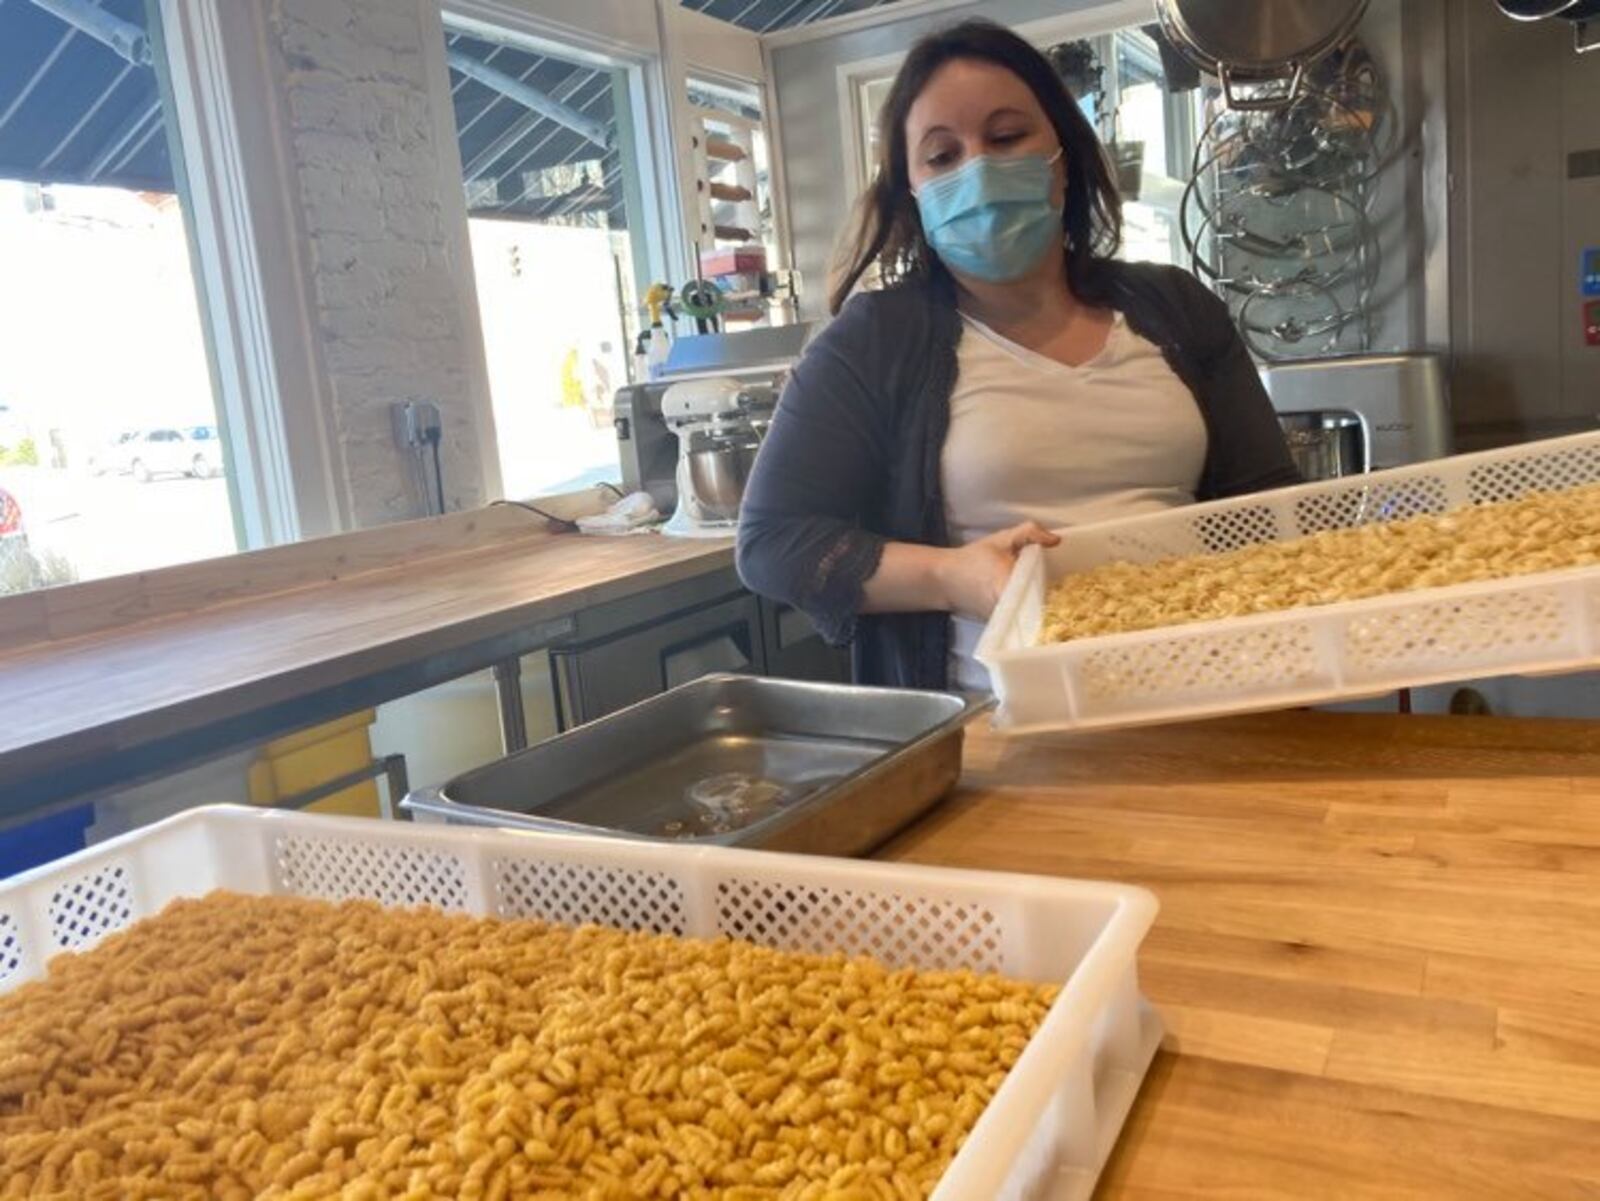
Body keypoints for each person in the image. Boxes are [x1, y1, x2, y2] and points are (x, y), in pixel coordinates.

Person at [736, 18, 1299, 692]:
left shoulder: (1176, 307)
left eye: (1006, 138)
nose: (979, 168)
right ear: (912, 194)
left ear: (1064, 155)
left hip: (1206, 695)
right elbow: (772, 543)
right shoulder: (876, 341)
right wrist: (953, 576)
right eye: (942, 156)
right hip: (995, 734)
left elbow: (1267, 510)